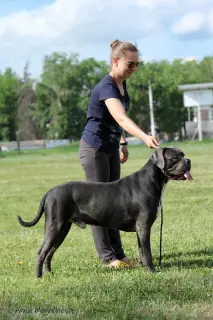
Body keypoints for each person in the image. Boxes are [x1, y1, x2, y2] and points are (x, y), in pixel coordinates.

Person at [79, 39, 159, 268]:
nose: (134, 69)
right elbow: (121, 116)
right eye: (130, 64)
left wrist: (123, 141)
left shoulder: (122, 85)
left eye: (137, 65)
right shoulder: (107, 86)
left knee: (114, 202)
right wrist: (143, 137)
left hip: (111, 147)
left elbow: (115, 121)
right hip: (94, 149)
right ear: (116, 61)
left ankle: (119, 255)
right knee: (98, 204)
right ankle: (108, 257)